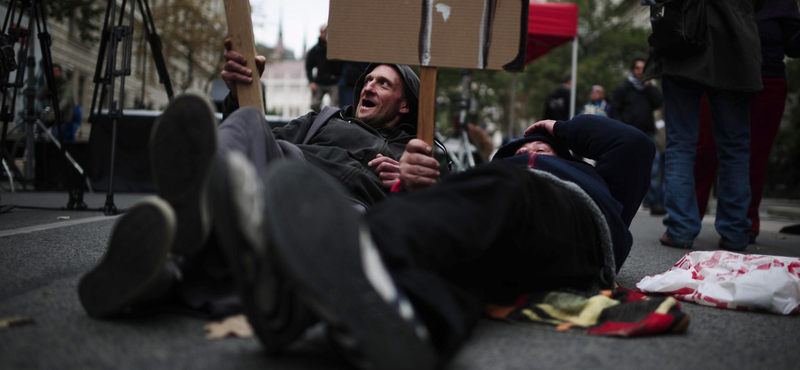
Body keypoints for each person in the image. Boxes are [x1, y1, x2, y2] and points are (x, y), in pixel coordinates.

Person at [207, 113, 652, 369]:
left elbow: (634, 145)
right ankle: (410, 322)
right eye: (518, 150)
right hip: (517, 244)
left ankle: (282, 274)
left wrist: (558, 129)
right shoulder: (494, 182)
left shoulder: (593, 184)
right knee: (460, 267)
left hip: (573, 226)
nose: (527, 153)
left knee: (503, 192)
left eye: (535, 149)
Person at [77, 36, 424, 321]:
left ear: (404, 104)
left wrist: (409, 184)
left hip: (344, 208)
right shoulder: (324, 118)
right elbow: (261, 138)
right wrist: (242, 89)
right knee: (248, 122)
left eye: (383, 83)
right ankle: (202, 193)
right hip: (284, 172)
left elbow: (435, 210)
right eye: (368, 80)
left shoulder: (418, 148)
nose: (369, 86)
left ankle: (166, 272)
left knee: (251, 251)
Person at [644, 0, 763, 251]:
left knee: (680, 143)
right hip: (733, 46)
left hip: (682, 42)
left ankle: (680, 229)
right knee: (735, 148)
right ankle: (734, 231)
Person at [694, 0, 800, 245]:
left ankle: (744, 222)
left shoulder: (783, 4)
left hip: (767, 80)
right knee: (705, 149)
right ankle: (686, 220)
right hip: (721, 78)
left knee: (755, 154)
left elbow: (793, 46)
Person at [610, 57, 664, 215]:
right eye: (638, 68)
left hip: (647, 133)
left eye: (643, 69)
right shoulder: (623, 89)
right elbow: (615, 110)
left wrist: (648, 87)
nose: (641, 72)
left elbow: (659, 102)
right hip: (628, 133)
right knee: (626, 167)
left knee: (652, 169)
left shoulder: (649, 89)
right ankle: (621, 201)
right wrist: (621, 127)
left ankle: (654, 202)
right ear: (632, 70)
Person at [305, 24, 341, 112]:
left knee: (334, 107)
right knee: (314, 104)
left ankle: (329, 120)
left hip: (334, 82)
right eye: (323, 32)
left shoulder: (337, 48)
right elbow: (309, 67)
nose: (325, 34)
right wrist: (311, 81)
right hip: (320, 82)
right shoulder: (315, 50)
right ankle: (320, 117)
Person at [37, 64, 76, 141]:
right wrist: (48, 86)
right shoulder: (51, 84)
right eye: (53, 71)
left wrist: (57, 109)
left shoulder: (66, 84)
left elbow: (66, 99)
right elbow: (40, 97)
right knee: (39, 126)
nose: (54, 73)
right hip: (50, 111)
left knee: (55, 135)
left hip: (63, 115)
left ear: (61, 72)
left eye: (56, 71)